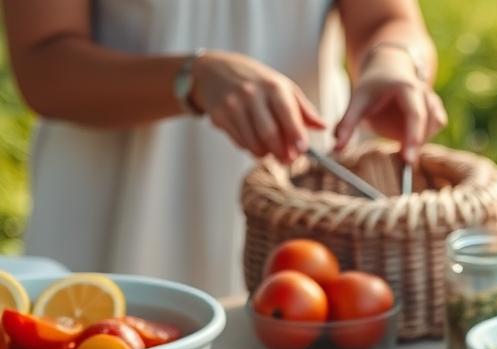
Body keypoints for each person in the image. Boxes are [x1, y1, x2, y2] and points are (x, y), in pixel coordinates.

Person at [3, 0, 447, 296]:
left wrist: (394, 60)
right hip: (118, 212)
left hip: (300, 210)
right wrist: (192, 77)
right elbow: (43, 64)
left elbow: (385, 18)